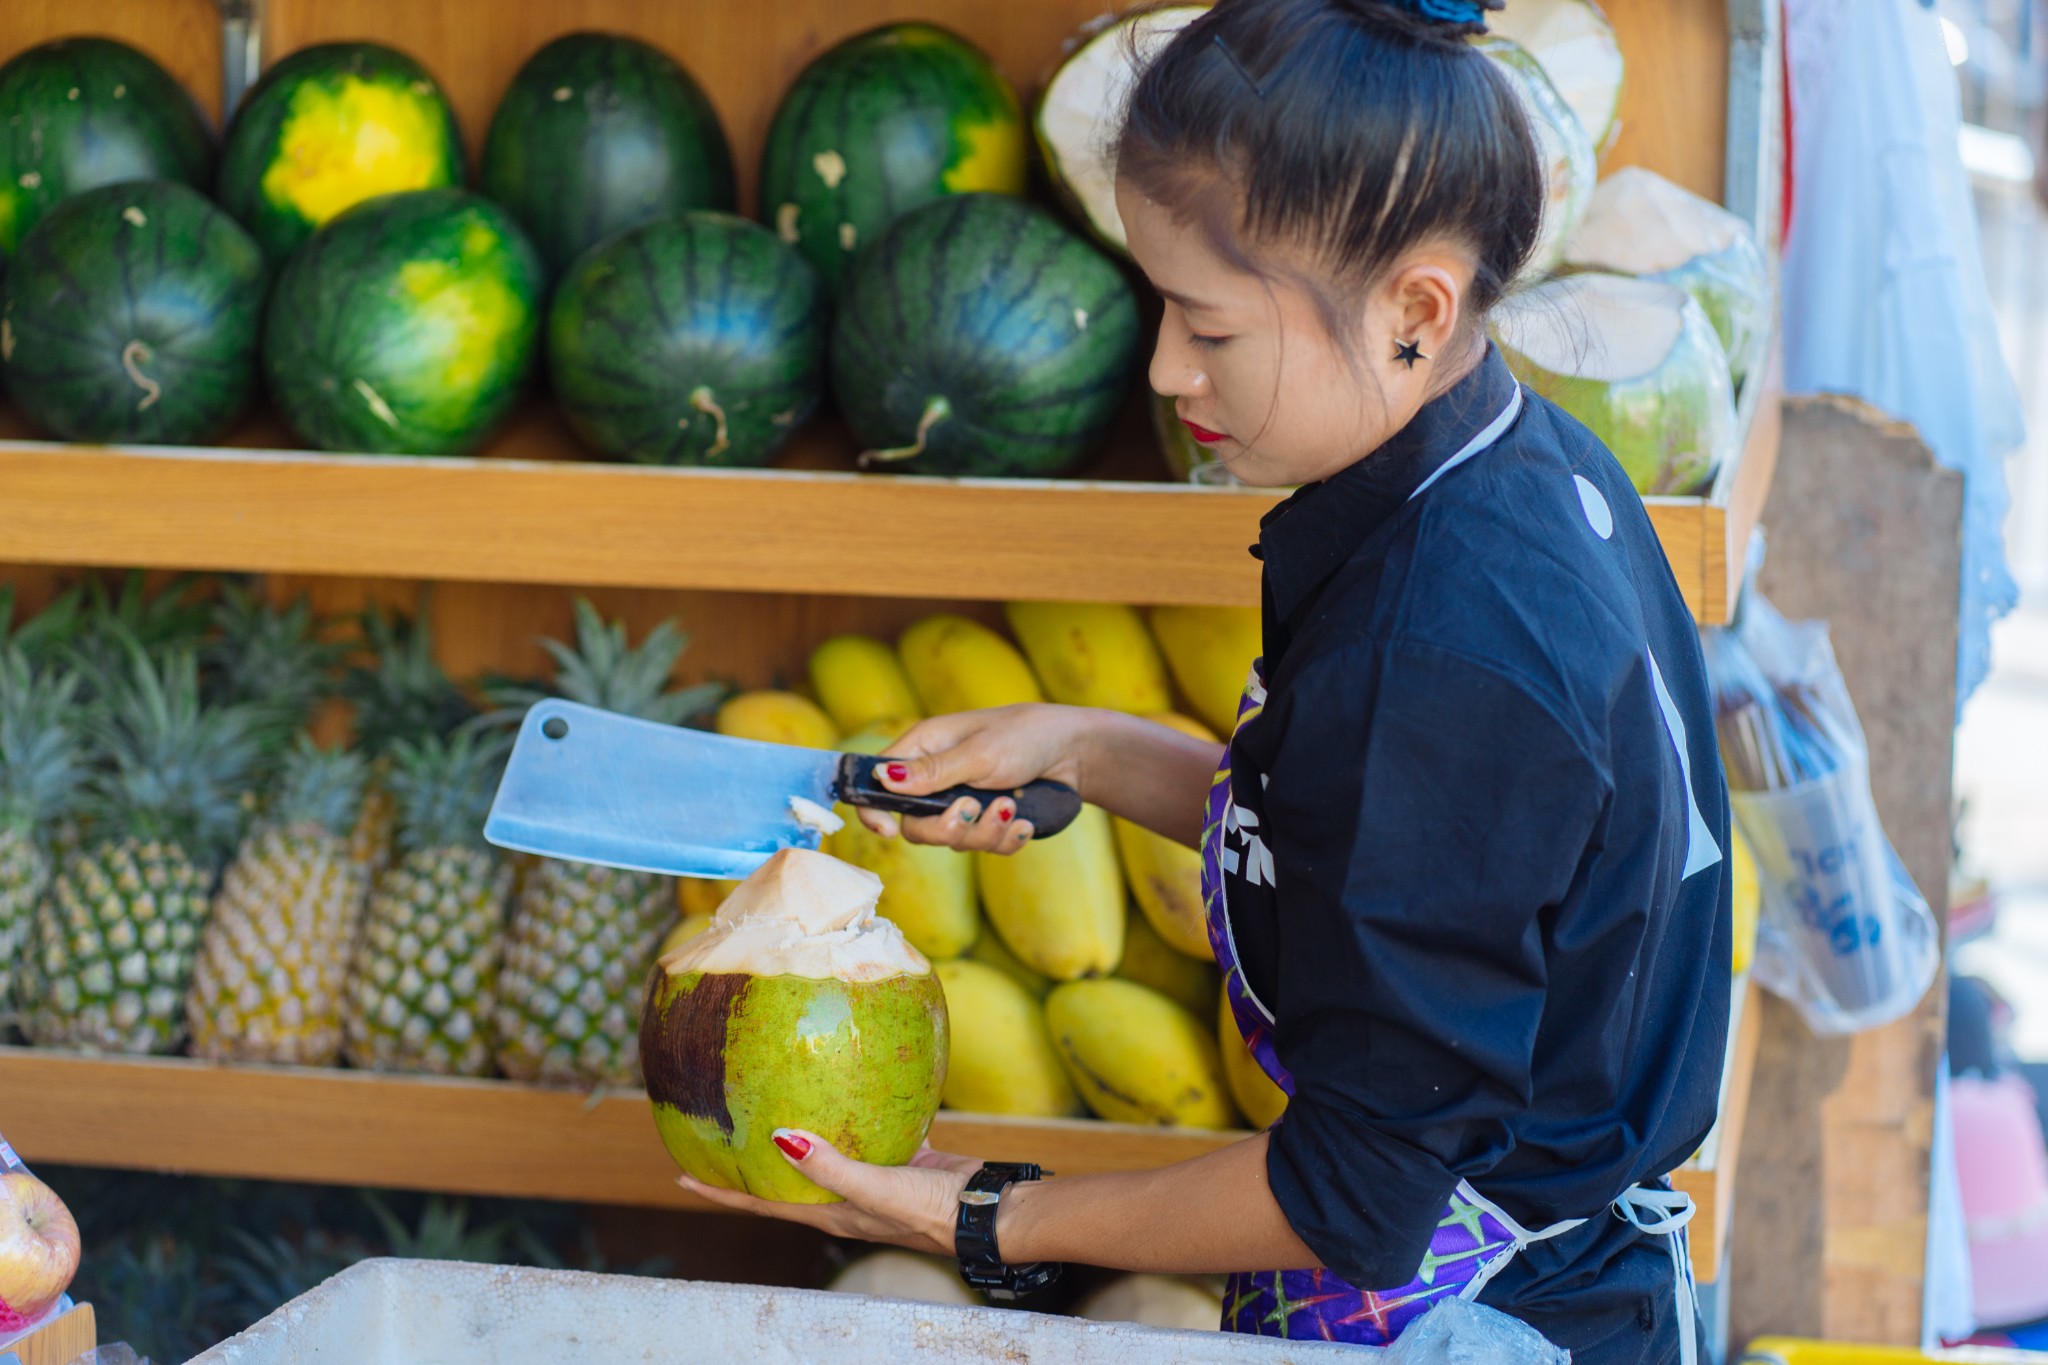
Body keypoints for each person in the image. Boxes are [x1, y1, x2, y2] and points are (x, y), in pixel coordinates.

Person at [677, 0, 1733, 1358]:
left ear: (1413, 307)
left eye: (1208, 324)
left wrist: (987, 1213)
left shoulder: (1441, 646)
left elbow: (1353, 1196)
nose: (1168, 367)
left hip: (1485, 1319)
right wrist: (1094, 751)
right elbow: (1410, 860)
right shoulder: (1523, 467)